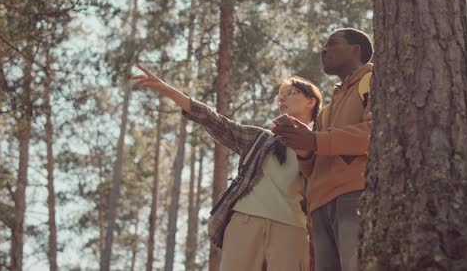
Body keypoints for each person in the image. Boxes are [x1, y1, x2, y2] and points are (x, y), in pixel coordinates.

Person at [131, 64, 322, 271]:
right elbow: (212, 119)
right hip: (245, 223)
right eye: (280, 96)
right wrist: (167, 89)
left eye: (291, 93)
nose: (282, 99)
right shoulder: (259, 138)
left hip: (292, 229)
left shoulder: (322, 144)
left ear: (311, 101)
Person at [272, 28, 373, 271]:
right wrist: (303, 148)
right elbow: (311, 168)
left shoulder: (373, 79)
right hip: (318, 209)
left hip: (354, 196)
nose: (324, 50)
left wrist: (315, 140)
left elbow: (376, 134)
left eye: (332, 43)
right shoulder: (326, 110)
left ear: (355, 50)